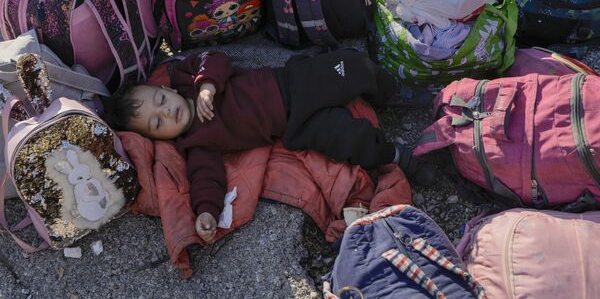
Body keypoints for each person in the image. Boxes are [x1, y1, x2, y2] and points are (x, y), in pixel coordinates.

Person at [103, 49, 426, 243]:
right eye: (158, 123)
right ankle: (395, 156)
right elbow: (206, 178)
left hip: (294, 83)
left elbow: (214, 58)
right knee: (347, 141)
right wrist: (206, 211)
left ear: (165, 89)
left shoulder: (189, 82)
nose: (167, 111)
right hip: (295, 126)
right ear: (158, 138)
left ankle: (391, 92)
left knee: (352, 65)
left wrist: (207, 87)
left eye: (161, 100)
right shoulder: (195, 143)